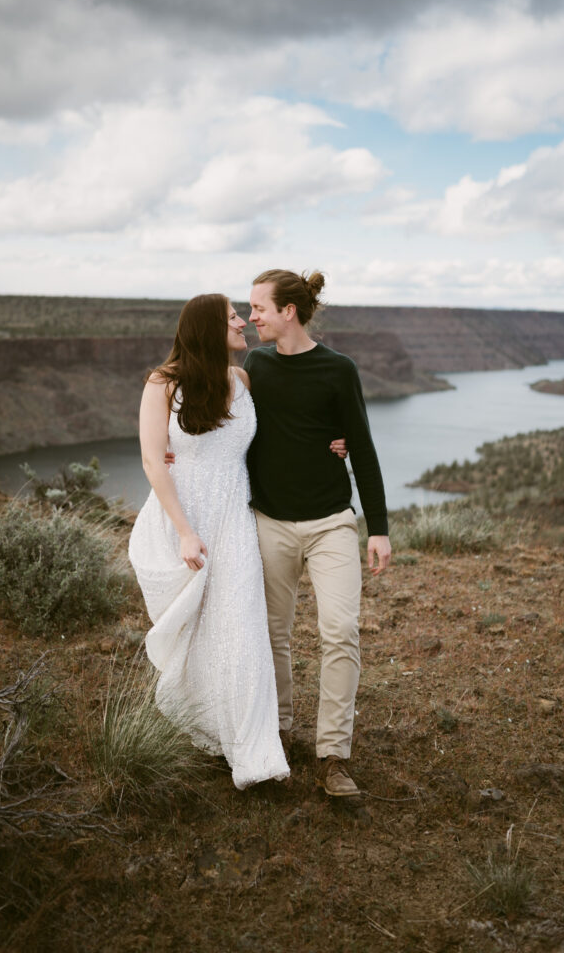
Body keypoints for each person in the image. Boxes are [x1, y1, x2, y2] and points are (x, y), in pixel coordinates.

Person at [127, 293, 289, 789]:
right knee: (198, 629)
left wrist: (335, 440)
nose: (243, 322)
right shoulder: (163, 383)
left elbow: (279, 434)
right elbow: (155, 461)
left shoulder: (241, 379)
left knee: (242, 626)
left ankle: (254, 752)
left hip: (234, 519)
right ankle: (200, 719)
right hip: (185, 517)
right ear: (205, 329)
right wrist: (184, 532)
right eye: (232, 317)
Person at [245, 269, 391, 798]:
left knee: (340, 633)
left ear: (289, 311)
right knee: (272, 635)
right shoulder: (255, 364)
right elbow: (229, 424)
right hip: (270, 523)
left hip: (332, 522)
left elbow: (364, 447)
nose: (252, 315)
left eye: (259, 307)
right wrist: (174, 444)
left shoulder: (338, 369)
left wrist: (378, 528)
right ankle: (278, 733)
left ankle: (333, 754)